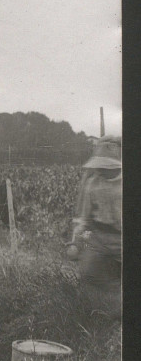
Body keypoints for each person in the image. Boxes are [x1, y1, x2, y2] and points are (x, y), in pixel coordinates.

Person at [69, 135, 122, 320]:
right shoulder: (93, 184)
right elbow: (83, 219)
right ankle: (96, 313)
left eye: (105, 166)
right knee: (87, 272)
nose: (100, 170)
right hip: (99, 237)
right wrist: (76, 242)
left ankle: (117, 310)